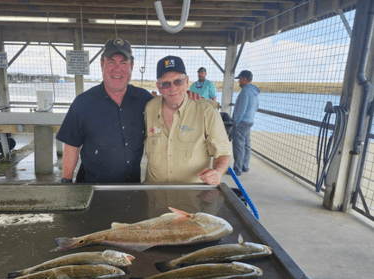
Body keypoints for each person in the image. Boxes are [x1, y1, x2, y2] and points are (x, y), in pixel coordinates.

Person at [56, 38, 200, 184]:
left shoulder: (145, 100)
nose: (117, 68)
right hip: (92, 189)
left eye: (123, 63)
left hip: (131, 190)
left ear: (131, 66)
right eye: (112, 61)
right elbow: (71, 146)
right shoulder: (83, 103)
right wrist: (66, 182)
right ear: (102, 64)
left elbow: (169, 104)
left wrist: (184, 96)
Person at [144, 56, 231, 185]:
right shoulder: (149, 108)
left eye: (178, 81)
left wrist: (217, 172)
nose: (172, 88)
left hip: (192, 194)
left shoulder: (207, 112)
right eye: (166, 84)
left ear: (187, 82)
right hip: (154, 192)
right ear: (159, 87)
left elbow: (223, 152)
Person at [230, 70, 260, 176]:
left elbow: (241, 108)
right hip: (249, 121)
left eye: (240, 79)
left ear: (244, 79)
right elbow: (256, 107)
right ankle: (244, 166)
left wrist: (236, 122)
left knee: (238, 145)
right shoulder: (254, 91)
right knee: (246, 145)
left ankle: (237, 170)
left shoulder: (245, 91)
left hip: (242, 122)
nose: (238, 81)